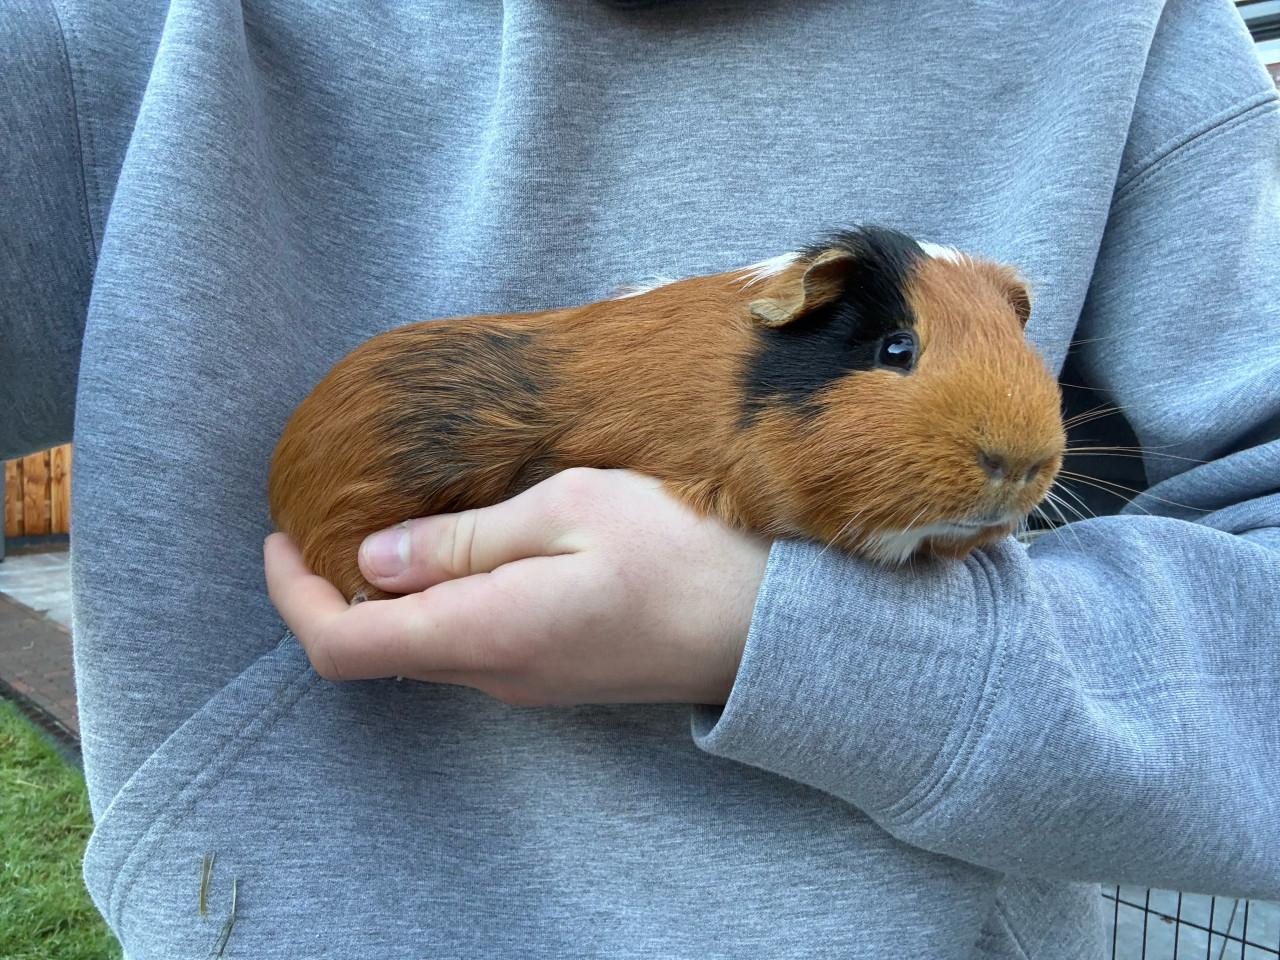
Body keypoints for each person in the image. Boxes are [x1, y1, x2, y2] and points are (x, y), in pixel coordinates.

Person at [3, 0, 1277, 956]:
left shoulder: (1134, 32)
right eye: (897, 354)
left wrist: (785, 630)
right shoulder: (115, 31)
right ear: (805, 319)